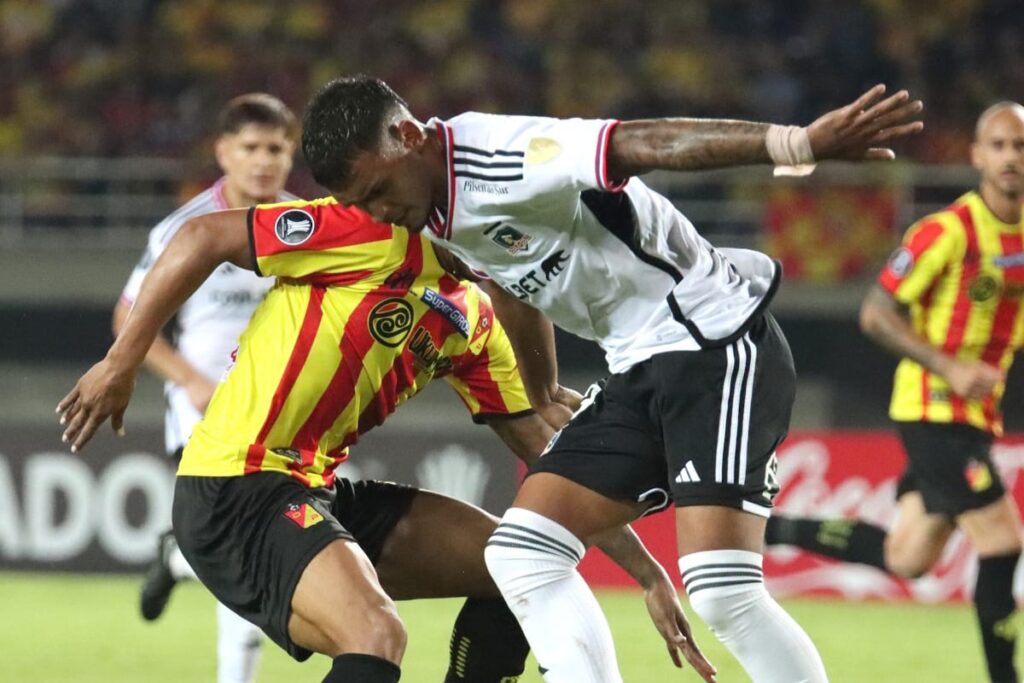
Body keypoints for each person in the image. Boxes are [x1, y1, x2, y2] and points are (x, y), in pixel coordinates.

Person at [299, 75, 925, 683]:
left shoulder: (499, 153)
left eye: (378, 190)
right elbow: (511, 286)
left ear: (408, 135)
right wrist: (539, 390)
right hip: (637, 365)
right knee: (521, 552)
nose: (379, 213)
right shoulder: (429, 207)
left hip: (713, 341)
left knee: (723, 593)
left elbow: (640, 142)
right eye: (361, 205)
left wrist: (794, 144)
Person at [58, 198, 715, 683]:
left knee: (520, 561)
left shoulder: (476, 319)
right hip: (234, 487)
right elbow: (201, 233)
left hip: (315, 490)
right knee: (376, 634)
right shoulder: (369, 235)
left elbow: (549, 453)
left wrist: (648, 571)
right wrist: (121, 362)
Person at [766, 102, 1024, 683]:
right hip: (934, 412)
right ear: (978, 156)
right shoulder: (948, 232)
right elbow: (877, 313)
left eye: (1021, 147)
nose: (1011, 157)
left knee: (907, 557)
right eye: (1000, 145)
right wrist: (949, 366)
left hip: (978, 416)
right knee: (1002, 541)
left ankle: (768, 530)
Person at [115, 92, 299, 683]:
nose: (263, 160)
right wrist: (189, 379)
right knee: (248, 547)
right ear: (223, 152)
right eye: (251, 147)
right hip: (206, 407)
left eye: (276, 148)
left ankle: (177, 555)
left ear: (291, 155)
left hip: (282, 410)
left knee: (238, 547)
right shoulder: (185, 228)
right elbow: (129, 318)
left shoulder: (309, 224)